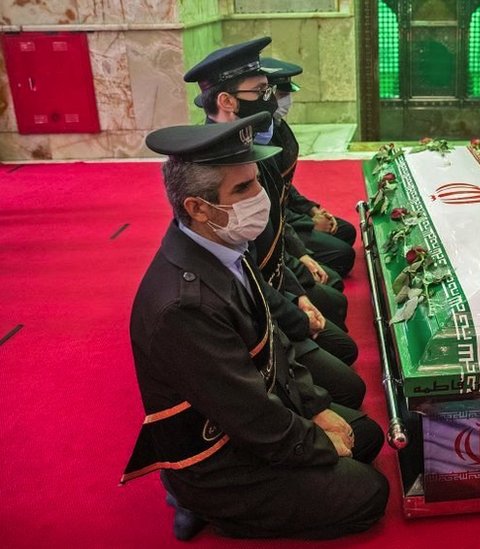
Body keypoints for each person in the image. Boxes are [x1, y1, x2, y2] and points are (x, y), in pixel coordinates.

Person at [121, 114, 389, 540]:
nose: (260, 195)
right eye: (243, 188)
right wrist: (317, 445)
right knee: (371, 493)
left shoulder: (220, 242)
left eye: (256, 182)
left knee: (366, 437)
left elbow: (274, 339)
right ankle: (210, 507)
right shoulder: (182, 307)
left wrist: (315, 405)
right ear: (197, 207)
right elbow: (247, 415)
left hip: (254, 407)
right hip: (219, 457)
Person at [184, 38, 363, 402]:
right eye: (261, 90)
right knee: (349, 382)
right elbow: (242, 272)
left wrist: (297, 289)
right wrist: (294, 311)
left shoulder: (256, 149)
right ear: (226, 101)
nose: (271, 98)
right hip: (257, 311)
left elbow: (277, 219)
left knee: (336, 311)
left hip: (276, 284)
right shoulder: (208, 168)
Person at [263, 57, 358, 279]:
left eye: (288, 94)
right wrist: (307, 223)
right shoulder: (258, 136)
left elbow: (284, 185)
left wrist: (312, 210)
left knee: (345, 231)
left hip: (288, 210)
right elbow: (269, 207)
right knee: (343, 256)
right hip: (275, 221)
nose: (287, 101)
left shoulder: (276, 125)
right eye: (281, 95)